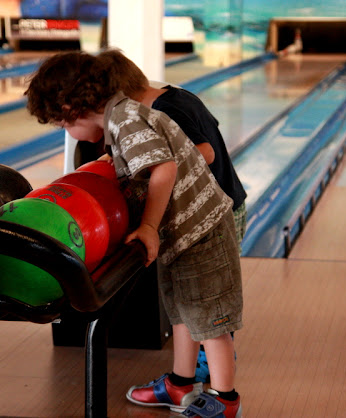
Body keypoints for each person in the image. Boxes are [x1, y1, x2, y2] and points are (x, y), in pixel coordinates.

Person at [24, 51, 243, 418]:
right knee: (183, 313)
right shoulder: (122, 117)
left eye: (62, 125)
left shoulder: (125, 119)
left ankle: (224, 401)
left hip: (202, 232)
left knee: (210, 322)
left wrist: (148, 227)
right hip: (184, 235)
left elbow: (163, 169)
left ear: (70, 109)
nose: (66, 132)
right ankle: (180, 383)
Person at [97, 48, 246, 384]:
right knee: (196, 298)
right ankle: (190, 372)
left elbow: (205, 152)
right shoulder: (174, 97)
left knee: (211, 299)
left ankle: (213, 368)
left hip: (213, 210)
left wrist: (146, 162)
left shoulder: (166, 108)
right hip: (212, 207)